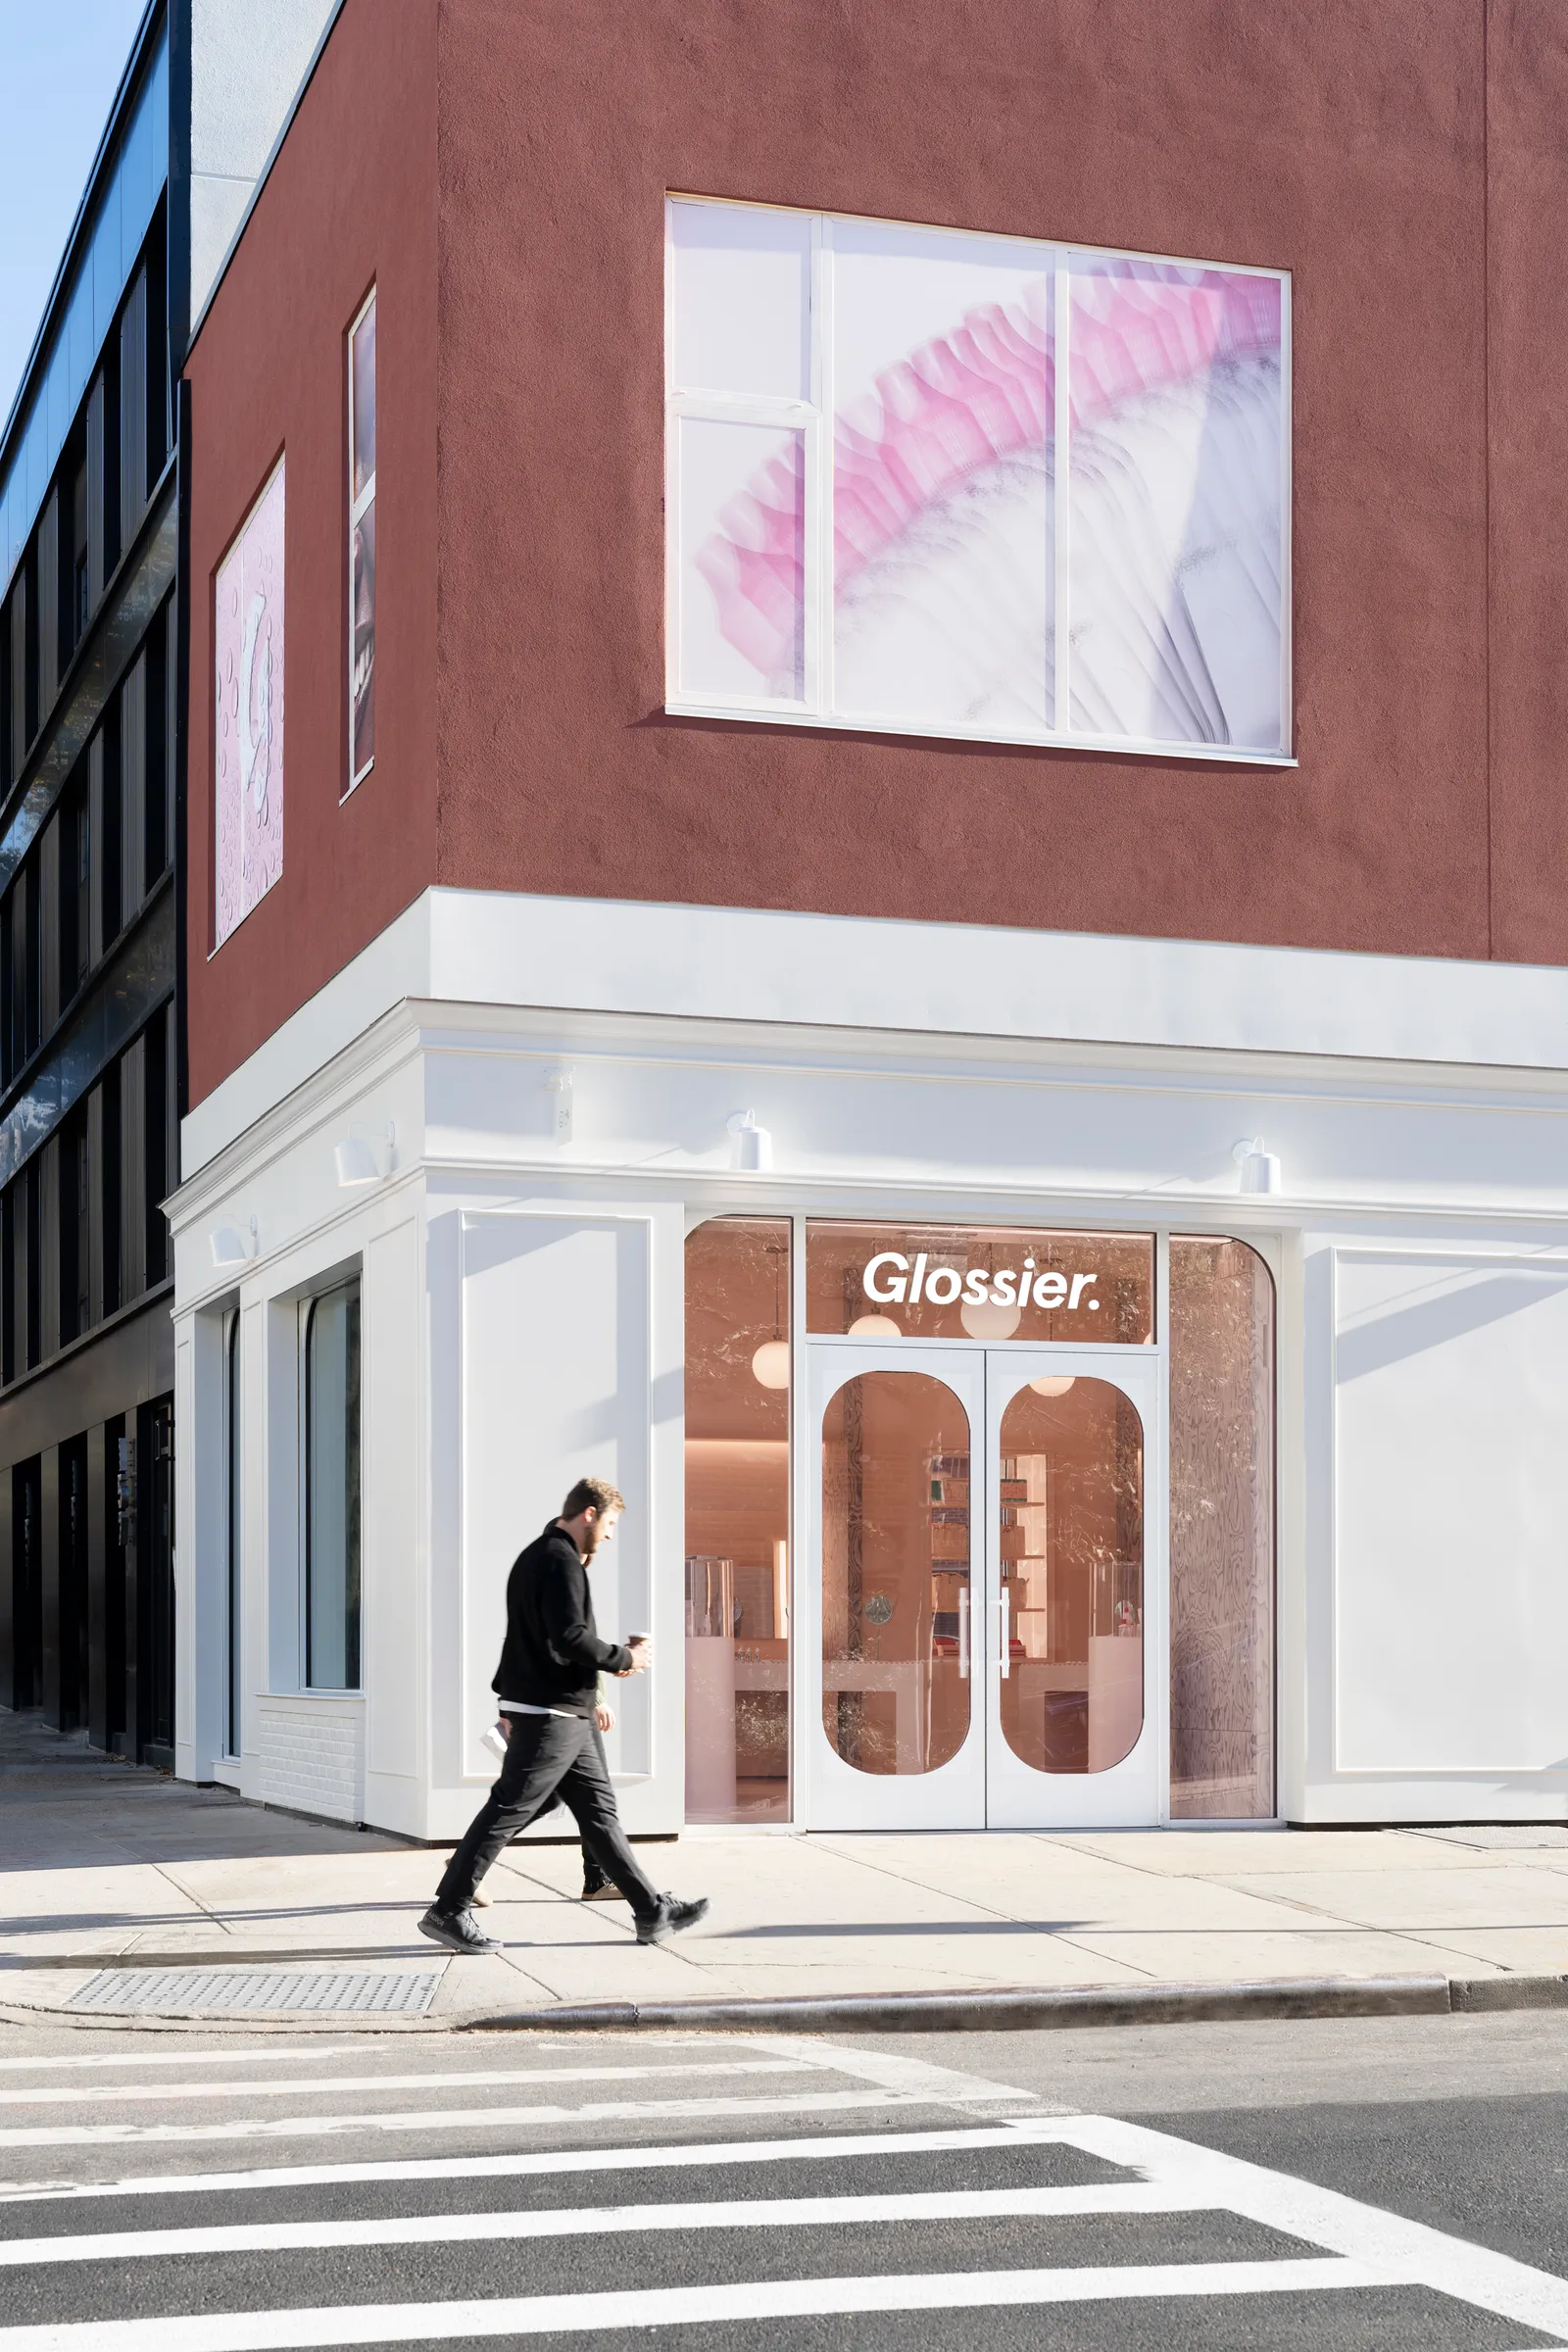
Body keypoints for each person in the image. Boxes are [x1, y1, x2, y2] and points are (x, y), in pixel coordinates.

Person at [419, 1476, 708, 1952]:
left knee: (599, 1814)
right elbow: (569, 1639)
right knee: (510, 1807)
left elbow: (524, 1637)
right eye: (610, 1522)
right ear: (589, 1514)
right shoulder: (558, 1560)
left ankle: (651, 1911)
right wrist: (624, 1659)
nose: (611, 1534)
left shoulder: (545, 1556)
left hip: (562, 1710)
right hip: (550, 1711)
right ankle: (449, 1909)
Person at [472, 1684, 620, 1907]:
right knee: (585, 1795)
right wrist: (597, 1700)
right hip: (569, 1708)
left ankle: (597, 1878)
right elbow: (571, 1653)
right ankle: (467, 1865)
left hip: (569, 1707)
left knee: (579, 1795)